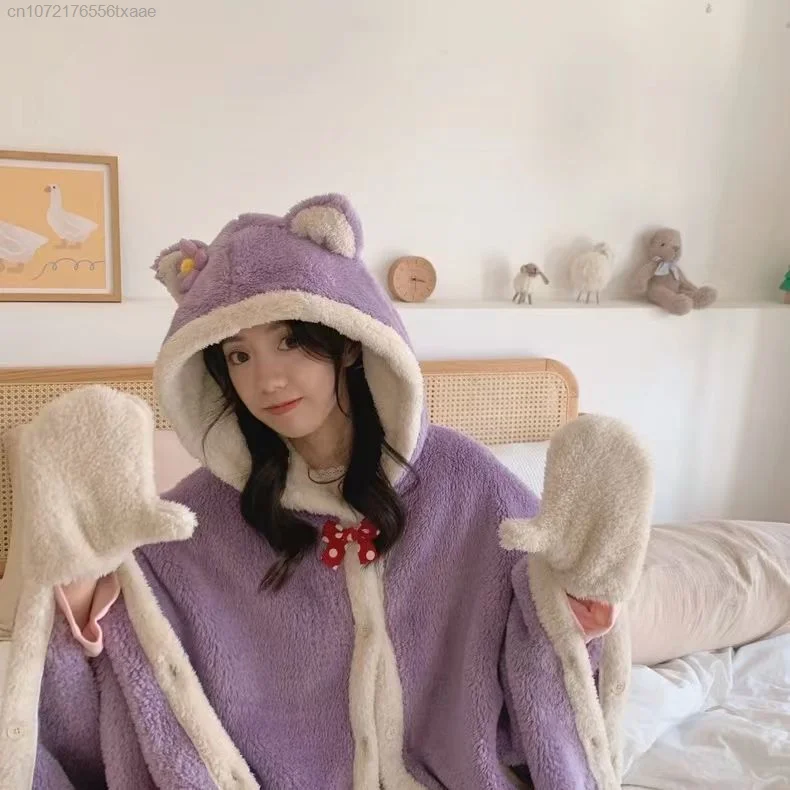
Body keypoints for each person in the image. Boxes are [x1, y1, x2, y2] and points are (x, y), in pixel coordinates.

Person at [26, 194, 620, 789]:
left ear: (349, 339)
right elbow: (129, 673)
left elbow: (541, 630)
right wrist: (76, 586)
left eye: (289, 341)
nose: (267, 379)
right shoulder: (197, 519)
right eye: (239, 355)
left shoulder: (464, 480)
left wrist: (577, 610)